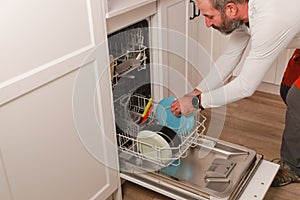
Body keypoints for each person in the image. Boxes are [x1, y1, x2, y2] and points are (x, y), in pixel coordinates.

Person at [171, 0, 300, 187]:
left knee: (296, 99)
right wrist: (196, 92)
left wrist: (197, 103)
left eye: (209, 16)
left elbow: (246, 85)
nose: (207, 24)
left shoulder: (270, 18)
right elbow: (229, 57)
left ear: (230, 9)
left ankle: (293, 168)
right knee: (287, 90)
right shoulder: (244, 15)